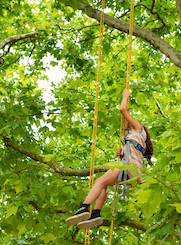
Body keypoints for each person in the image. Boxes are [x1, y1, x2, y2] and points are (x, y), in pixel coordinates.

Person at [65, 89, 153, 229]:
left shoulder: (138, 128)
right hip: (131, 172)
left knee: (99, 181)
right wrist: (122, 153)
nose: (127, 125)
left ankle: (84, 207)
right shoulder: (132, 140)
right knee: (104, 185)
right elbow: (125, 132)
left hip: (128, 167)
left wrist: (125, 96)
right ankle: (96, 213)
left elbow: (123, 110)